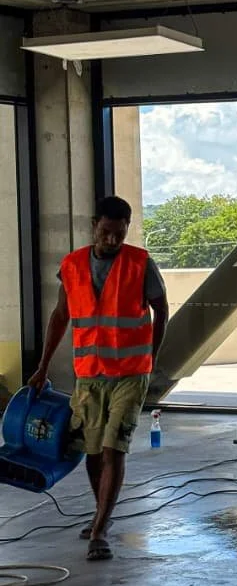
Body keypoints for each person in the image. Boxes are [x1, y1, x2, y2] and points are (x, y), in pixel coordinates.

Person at [28, 196, 170, 561]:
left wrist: (151, 357)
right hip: (89, 374)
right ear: (94, 225)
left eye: (119, 235)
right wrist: (42, 367)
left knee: (113, 447)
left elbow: (161, 308)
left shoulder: (140, 263)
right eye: (106, 233)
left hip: (129, 373)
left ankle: (100, 530)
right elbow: (61, 316)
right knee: (91, 452)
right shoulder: (72, 266)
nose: (112, 241)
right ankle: (100, 514)